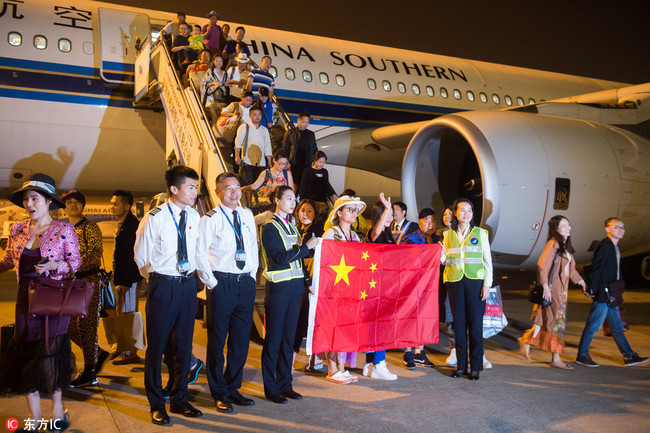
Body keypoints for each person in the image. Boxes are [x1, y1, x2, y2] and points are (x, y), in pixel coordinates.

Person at [0, 173, 80, 431]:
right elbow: (8, 261)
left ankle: (57, 411)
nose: (29, 204)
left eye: (34, 198)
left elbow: (75, 264)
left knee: (49, 356)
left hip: (52, 299)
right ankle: (34, 419)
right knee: (25, 357)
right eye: (26, 199)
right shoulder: (18, 229)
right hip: (25, 300)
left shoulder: (63, 229)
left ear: (48, 201)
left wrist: (57, 264)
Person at [134, 166, 203, 425]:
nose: (196, 192)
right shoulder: (155, 217)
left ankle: (180, 399)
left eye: (196, 187)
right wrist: (159, 279)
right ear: (174, 189)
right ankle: (156, 403)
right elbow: (141, 257)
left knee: (184, 345)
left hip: (187, 286)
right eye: (191, 187)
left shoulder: (195, 216)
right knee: (158, 346)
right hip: (163, 285)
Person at [195, 172, 259, 414]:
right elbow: (201, 254)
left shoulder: (246, 214)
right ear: (218, 192)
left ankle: (233, 387)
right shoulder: (210, 219)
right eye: (228, 188)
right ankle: (219, 391)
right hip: (222, 284)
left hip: (245, 284)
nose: (234, 191)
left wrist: (252, 275)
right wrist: (212, 284)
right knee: (217, 341)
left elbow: (252, 246)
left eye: (237, 187)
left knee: (241, 341)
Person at [260, 186, 320, 403]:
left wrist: (307, 281)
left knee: (288, 341)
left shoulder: (292, 227)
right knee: (274, 341)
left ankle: (286, 384)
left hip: (295, 290)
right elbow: (279, 257)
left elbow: (297, 263)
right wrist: (306, 247)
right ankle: (271, 387)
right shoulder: (269, 228)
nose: (292, 202)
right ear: (277, 200)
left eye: (293, 198)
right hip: (279, 291)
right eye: (287, 198)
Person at [575, 218, 649, 367]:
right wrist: (593, 289)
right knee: (593, 326)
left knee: (616, 327)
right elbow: (596, 269)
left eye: (622, 227)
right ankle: (582, 356)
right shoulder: (605, 246)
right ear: (607, 230)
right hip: (604, 294)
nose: (621, 230)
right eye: (617, 227)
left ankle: (629, 356)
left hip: (612, 294)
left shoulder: (614, 247)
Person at [518, 215, 586, 370]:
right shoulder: (554, 244)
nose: (568, 228)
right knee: (556, 324)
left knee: (547, 321)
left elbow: (572, 270)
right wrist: (546, 287)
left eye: (569, 225)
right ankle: (556, 358)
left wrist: (582, 282)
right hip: (554, 290)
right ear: (556, 229)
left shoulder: (565, 246)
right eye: (563, 225)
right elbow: (542, 265)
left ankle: (527, 340)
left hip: (562, 291)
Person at [61, 189, 109, 388]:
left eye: (77, 202)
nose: (73, 205)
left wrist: (71, 267)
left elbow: (96, 253)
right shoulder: (63, 229)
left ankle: (90, 371)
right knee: (69, 327)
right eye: (69, 202)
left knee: (87, 327)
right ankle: (97, 353)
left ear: (83, 205)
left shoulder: (90, 227)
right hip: (69, 284)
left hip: (88, 282)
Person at [442, 198, 492, 380]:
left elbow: (488, 262)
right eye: (462, 210)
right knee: (459, 326)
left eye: (469, 210)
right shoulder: (447, 236)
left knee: (475, 327)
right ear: (455, 213)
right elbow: (443, 259)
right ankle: (461, 366)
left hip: (475, 283)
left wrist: (487, 285)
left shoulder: (481, 233)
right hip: (455, 284)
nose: (466, 213)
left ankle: (476, 366)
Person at [322, 195, 368, 384]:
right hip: (333, 289)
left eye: (355, 210)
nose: (354, 213)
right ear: (338, 212)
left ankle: (342, 367)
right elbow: (324, 262)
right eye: (350, 209)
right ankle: (332, 369)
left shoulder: (355, 236)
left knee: (344, 328)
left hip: (350, 289)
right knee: (332, 326)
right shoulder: (331, 233)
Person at [400, 207, 438, 368]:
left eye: (433, 220)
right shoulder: (409, 238)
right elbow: (401, 261)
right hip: (412, 285)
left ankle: (419, 351)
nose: (430, 224)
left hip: (430, 286)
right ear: (420, 221)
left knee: (424, 317)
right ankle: (408, 351)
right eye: (426, 220)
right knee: (410, 317)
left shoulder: (438, 240)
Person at [109, 190, 143, 365]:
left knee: (129, 314)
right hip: (122, 279)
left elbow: (133, 256)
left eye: (116, 204)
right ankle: (123, 348)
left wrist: (127, 281)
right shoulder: (123, 224)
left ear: (127, 206)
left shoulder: (131, 227)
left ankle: (130, 352)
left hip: (128, 281)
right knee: (122, 314)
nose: (112, 207)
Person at [292, 199, 325, 373]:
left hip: (310, 280)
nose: (305, 214)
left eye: (309, 211)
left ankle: (313, 360)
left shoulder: (318, 232)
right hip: (295, 279)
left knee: (308, 320)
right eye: (302, 210)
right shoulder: (294, 229)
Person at [242, 149, 294, 214]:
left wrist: (281, 185)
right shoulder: (266, 173)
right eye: (280, 163)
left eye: (285, 164)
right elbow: (255, 186)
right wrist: (245, 188)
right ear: (274, 160)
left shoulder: (287, 174)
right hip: (267, 206)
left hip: (282, 206)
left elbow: (291, 190)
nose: (282, 166)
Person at [437, 207, 457, 366]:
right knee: (450, 316)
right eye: (444, 214)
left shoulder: (463, 233)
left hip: (462, 278)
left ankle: (477, 351)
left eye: (450, 214)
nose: (447, 217)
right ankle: (454, 349)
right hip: (446, 279)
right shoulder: (440, 234)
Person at [234, 105, 273, 186]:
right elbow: (238, 142)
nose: (257, 117)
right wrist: (237, 156)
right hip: (247, 161)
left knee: (259, 186)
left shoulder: (265, 130)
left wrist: (269, 161)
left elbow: (267, 146)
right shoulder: (244, 127)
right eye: (254, 115)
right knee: (247, 185)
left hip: (261, 163)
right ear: (250, 115)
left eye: (259, 114)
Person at [283, 111, 317, 190]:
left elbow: (314, 148)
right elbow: (285, 149)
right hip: (293, 164)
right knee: (293, 185)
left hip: (306, 164)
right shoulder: (290, 132)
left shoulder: (311, 134)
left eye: (307, 122)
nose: (305, 124)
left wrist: (316, 160)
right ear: (298, 120)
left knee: (304, 185)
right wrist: (287, 162)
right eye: (303, 122)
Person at [200, 54, 229, 125]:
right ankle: (212, 133)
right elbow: (204, 84)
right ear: (213, 62)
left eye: (221, 61)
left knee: (222, 119)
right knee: (214, 118)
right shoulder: (210, 72)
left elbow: (227, 85)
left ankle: (217, 133)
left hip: (221, 98)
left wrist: (226, 85)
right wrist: (213, 83)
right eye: (217, 61)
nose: (219, 63)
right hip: (211, 98)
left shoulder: (225, 73)